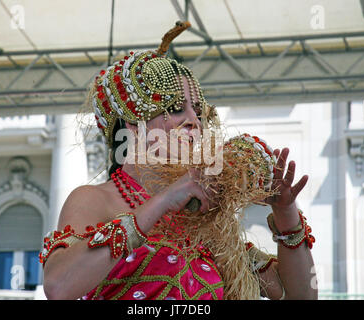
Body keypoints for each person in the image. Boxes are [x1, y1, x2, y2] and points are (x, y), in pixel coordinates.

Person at [40, 22, 317, 300]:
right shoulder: (94, 200)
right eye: (175, 109)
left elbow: (302, 296)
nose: (193, 122)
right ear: (134, 124)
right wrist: (164, 200)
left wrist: (285, 212)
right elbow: (58, 286)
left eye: (198, 112)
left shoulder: (206, 220)